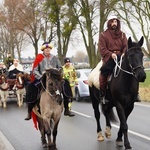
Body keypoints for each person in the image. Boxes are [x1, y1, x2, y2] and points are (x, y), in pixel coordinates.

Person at [24, 42, 74, 120]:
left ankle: (67, 108)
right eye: (46, 49)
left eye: (49, 49)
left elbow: (60, 68)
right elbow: (35, 70)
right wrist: (40, 76)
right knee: (31, 87)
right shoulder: (39, 58)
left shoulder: (54, 58)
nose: (47, 50)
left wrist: (57, 73)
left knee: (66, 83)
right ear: (43, 50)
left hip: (54, 79)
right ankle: (29, 111)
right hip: (42, 78)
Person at [99, 16, 141, 103]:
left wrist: (123, 53)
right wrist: (111, 54)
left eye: (116, 21)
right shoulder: (103, 35)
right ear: (109, 23)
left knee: (134, 71)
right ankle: (103, 95)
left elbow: (126, 45)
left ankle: (135, 93)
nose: (114, 23)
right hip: (110, 58)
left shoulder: (122, 34)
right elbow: (102, 49)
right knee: (104, 74)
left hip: (121, 56)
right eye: (112, 22)